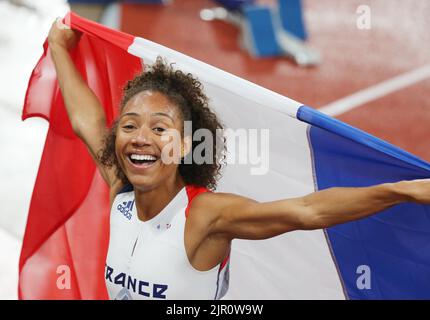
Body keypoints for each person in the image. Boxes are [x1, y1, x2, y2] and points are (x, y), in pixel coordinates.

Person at [48, 19, 430, 300]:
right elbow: (88, 123)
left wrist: (400, 191)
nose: (141, 139)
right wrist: (59, 47)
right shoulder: (123, 193)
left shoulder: (205, 216)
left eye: (160, 129)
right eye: (130, 126)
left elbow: (306, 211)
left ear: (184, 146)